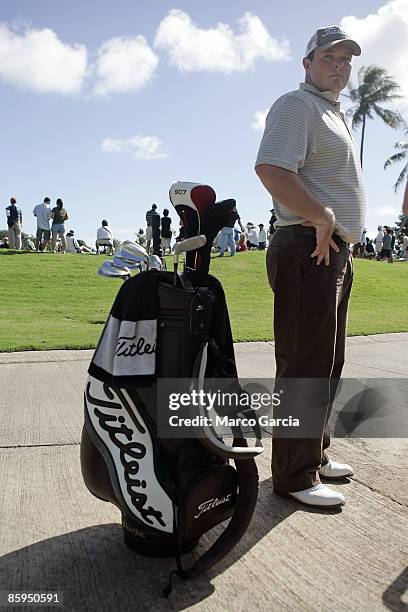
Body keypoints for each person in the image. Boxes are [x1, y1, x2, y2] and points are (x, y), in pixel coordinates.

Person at [255, 25, 365, 509]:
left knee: (328, 361)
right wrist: (321, 216)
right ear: (307, 62)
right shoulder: (296, 106)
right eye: (329, 57)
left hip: (332, 250)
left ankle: (313, 455)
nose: (338, 65)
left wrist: (344, 234)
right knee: (304, 365)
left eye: (346, 59)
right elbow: (272, 170)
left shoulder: (333, 114)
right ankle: (293, 476)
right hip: (306, 246)